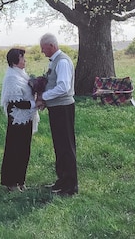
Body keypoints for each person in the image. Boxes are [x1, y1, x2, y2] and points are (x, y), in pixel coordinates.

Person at [36, 33, 78, 196]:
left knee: (66, 146)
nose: (42, 51)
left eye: (43, 48)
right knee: (59, 146)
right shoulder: (56, 62)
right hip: (57, 108)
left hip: (63, 108)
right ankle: (62, 181)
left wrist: (43, 97)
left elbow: (63, 87)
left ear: (51, 46)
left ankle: (70, 186)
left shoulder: (63, 62)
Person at [0, 48, 39, 192]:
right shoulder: (11, 77)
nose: (25, 61)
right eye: (22, 58)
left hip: (27, 117)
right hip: (17, 119)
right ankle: (11, 182)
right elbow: (15, 102)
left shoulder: (21, 74)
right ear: (15, 61)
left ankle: (21, 180)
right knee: (14, 150)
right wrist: (35, 104)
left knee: (24, 150)